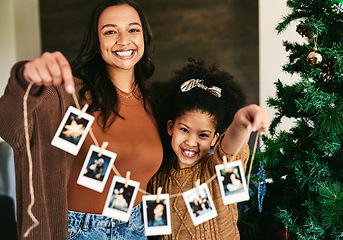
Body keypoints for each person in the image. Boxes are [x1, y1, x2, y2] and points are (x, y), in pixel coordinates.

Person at [0, 0, 162, 239]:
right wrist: (26, 78)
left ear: (144, 38)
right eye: (110, 31)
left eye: (133, 29)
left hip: (140, 228)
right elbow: (9, 127)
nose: (123, 39)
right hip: (81, 231)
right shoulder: (67, 96)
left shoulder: (155, 102)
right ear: (97, 44)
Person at [148, 60, 270, 239]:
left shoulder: (216, 168)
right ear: (170, 127)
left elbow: (230, 149)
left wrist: (240, 122)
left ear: (215, 139)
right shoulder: (157, 180)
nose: (191, 142)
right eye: (184, 130)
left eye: (203, 135)